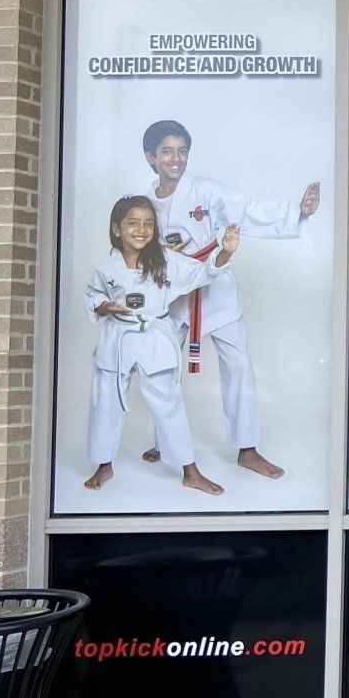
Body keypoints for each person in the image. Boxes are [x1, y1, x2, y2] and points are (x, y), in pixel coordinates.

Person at [138, 119, 319, 479]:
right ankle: (165, 441)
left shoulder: (205, 191)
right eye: (167, 152)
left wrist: (297, 212)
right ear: (151, 158)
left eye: (182, 151)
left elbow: (246, 208)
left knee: (238, 367)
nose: (176, 158)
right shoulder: (144, 204)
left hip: (215, 283)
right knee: (161, 367)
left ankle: (248, 448)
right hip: (172, 294)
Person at [84, 197, 239, 496]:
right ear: (117, 229)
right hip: (117, 339)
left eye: (148, 223)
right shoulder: (107, 267)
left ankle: (189, 469)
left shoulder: (167, 262)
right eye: (133, 223)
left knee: (168, 402)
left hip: (154, 337)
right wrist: (104, 307)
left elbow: (203, 273)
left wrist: (223, 253)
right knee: (105, 401)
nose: (141, 230)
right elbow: (93, 295)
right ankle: (104, 464)